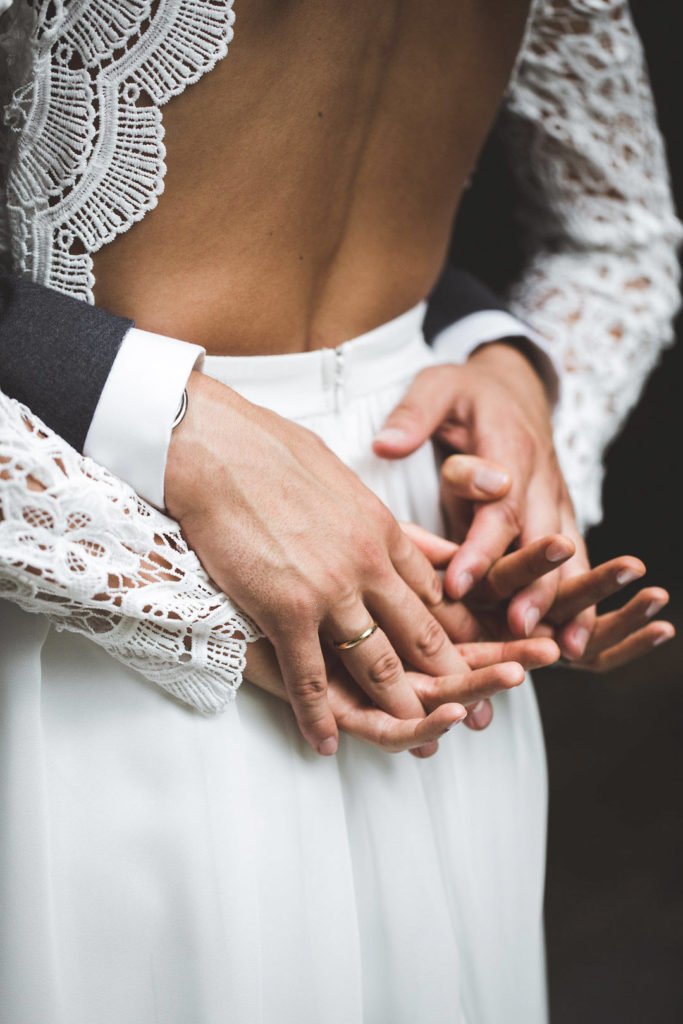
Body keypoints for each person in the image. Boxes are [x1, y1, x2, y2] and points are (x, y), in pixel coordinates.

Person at [0, 1, 679, 1022]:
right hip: (95, 558)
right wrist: (167, 435)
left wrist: (509, 370)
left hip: (422, 592)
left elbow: (616, 233)